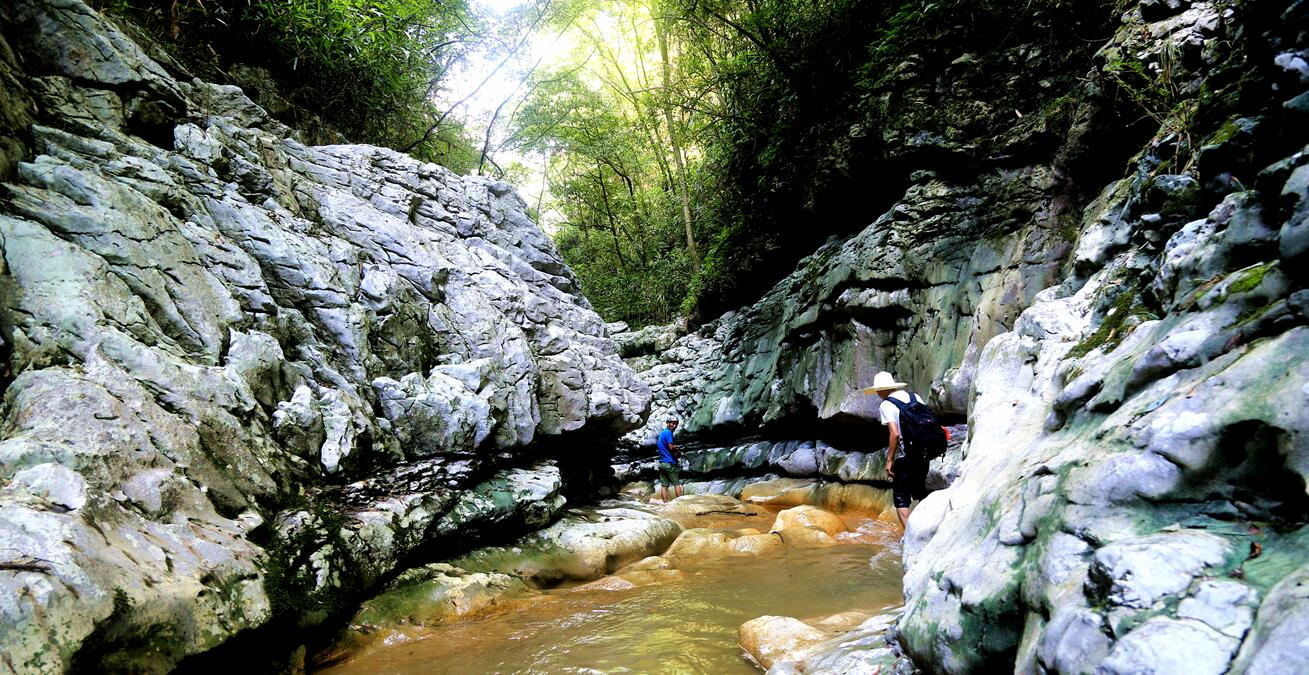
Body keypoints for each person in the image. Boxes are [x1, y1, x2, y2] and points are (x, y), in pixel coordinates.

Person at [863, 371, 930, 530]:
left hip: (906, 457)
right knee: (921, 492)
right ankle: (928, 530)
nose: (877, 393)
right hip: (924, 453)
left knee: (901, 498)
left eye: (878, 390)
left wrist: (889, 460)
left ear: (883, 389)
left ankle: (910, 537)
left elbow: (894, 434)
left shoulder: (886, 404)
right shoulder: (915, 397)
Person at [656, 417, 683, 502]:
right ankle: (681, 503)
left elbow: (665, 447)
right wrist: (678, 451)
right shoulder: (668, 433)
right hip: (669, 463)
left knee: (664, 485)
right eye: (672, 423)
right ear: (667, 423)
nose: (674, 425)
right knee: (677, 484)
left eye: (676, 424)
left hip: (662, 463)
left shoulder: (662, 434)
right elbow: (671, 447)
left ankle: (665, 504)